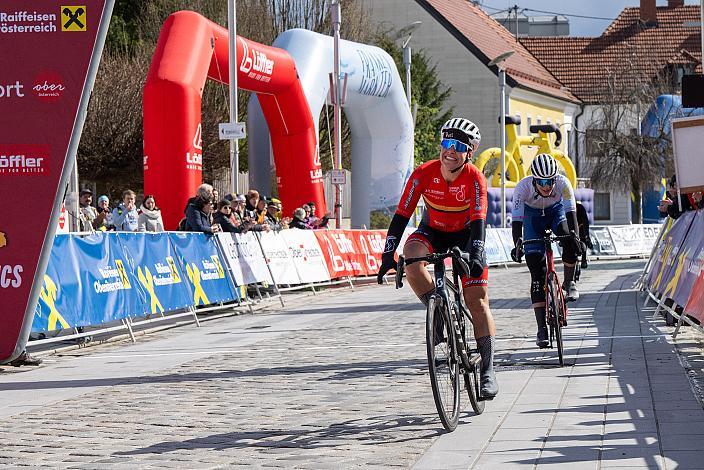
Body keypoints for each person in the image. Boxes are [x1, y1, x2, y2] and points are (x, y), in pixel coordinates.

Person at [376, 117, 498, 399]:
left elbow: (479, 219)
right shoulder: (423, 173)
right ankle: (438, 308)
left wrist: (476, 253)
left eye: (458, 145)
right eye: (446, 143)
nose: (449, 150)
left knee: (477, 300)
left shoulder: (475, 178)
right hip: (433, 231)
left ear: (470, 152)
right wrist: (386, 255)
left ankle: (488, 368)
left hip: (467, 235)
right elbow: (401, 217)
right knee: (411, 258)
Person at [510, 153, 582, 349]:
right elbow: (517, 221)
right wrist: (517, 244)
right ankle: (541, 329)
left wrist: (575, 238)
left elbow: (571, 214)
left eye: (550, 180)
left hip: (556, 213)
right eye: (542, 181)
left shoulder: (563, 183)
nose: (547, 185)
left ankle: (569, 282)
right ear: (534, 179)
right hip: (532, 219)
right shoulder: (522, 188)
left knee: (568, 237)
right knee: (536, 272)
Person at [575, 201, 592, 269]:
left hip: (581, 226)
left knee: (584, 240)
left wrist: (586, 235)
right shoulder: (566, 208)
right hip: (570, 226)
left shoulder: (580, 208)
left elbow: (585, 221)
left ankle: (584, 259)